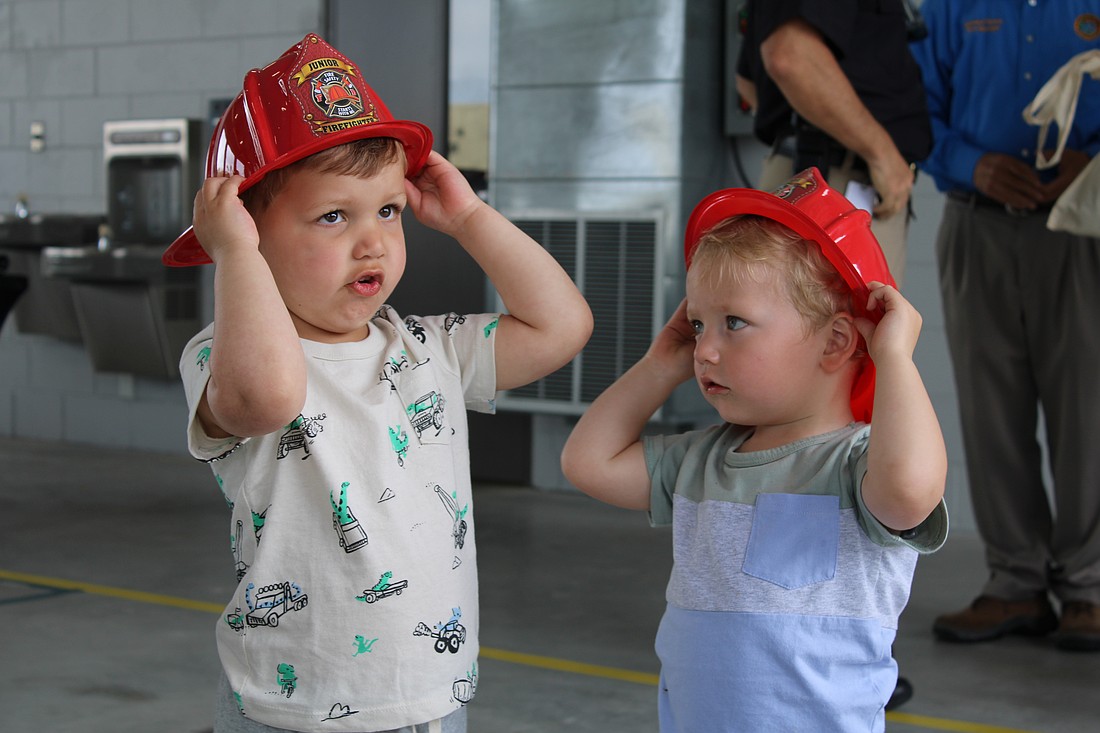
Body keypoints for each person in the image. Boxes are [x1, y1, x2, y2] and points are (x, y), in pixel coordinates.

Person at [163, 34, 592, 732]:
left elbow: (561, 326)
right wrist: (234, 253)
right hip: (290, 707)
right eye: (334, 215)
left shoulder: (429, 348)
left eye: (387, 211)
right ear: (247, 228)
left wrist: (469, 219)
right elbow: (269, 395)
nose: (373, 242)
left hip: (429, 693)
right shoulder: (221, 354)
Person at [561, 168, 948, 731]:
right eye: (697, 325)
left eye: (734, 323)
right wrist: (657, 366)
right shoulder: (701, 461)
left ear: (837, 341)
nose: (704, 350)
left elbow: (910, 491)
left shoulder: (858, 466)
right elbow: (586, 463)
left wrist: (893, 358)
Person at [911, 2, 1100, 652]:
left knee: (1089, 409)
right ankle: (1015, 581)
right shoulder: (951, 7)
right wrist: (971, 164)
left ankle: (1091, 588)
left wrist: (1096, 162)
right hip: (977, 221)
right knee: (990, 410)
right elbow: (913, 109)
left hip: (1081, 225)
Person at [734, 0, 932, 286]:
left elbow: (748, 83)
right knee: (848, 327)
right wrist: (882, 155)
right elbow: (790, 55)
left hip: (819, 172)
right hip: (835, 180)